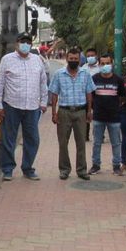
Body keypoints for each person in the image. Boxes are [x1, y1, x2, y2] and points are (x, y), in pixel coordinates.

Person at [0, 33, 49, 181]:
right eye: (23, 41)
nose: (25, 44)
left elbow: (43, 83)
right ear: (17, 43)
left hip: (32, 107)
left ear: (31, 44)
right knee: (8, 139)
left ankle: (28, 168)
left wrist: (44, 102)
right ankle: (7, 169)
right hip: (11, 105)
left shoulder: (37, 60)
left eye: (28, 42)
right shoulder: (7, 59)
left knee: (33, 139)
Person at [49, 48, 96, 180]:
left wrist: (89, 111)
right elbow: (54, 94)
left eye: (76, 59)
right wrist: (54, 113)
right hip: (64, 112)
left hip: (81, 112)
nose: (73, 61)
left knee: (81, 142)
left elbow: (89, 93)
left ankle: (81, 170)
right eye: (71, 58)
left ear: (80, 60)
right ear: (67, 59)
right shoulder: (59, 74)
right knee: (63, 142)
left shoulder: (85, 74)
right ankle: (64, 170)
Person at [89, 54, 125, 175]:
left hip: (114, 117)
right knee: (97, 143)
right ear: (99, 65)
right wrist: (92, 110)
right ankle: (95, 165)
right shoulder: (94, 79)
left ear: (112, 63)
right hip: (98, 116)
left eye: (108, 63)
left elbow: (122, 97)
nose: (105, 66)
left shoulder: (118, 80)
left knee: (116, 143)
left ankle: (116, 166)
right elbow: (91, 96)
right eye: (103, 63)